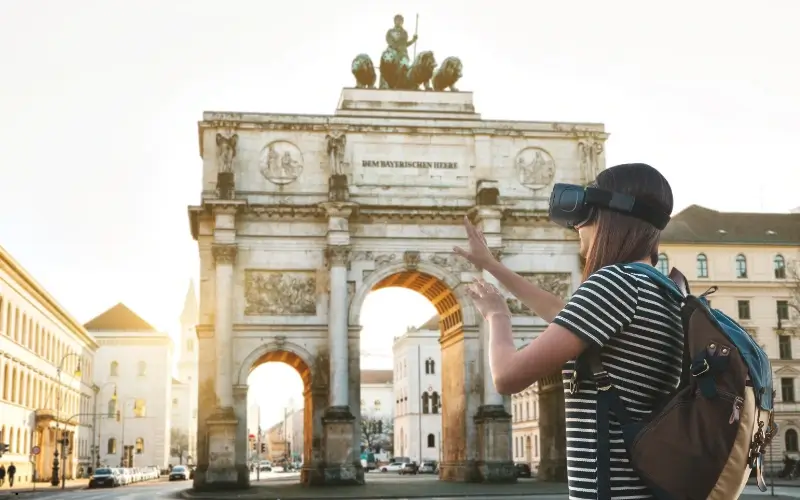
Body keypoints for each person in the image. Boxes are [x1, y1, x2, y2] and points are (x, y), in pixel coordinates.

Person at [455, 163, 679, 500]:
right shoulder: (665, 289)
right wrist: (492, 266)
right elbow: (562, 312)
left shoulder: (614, 284)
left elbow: (507, 378)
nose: (577, 225)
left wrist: (498, 317)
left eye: (587, 213)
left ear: (610, 218)